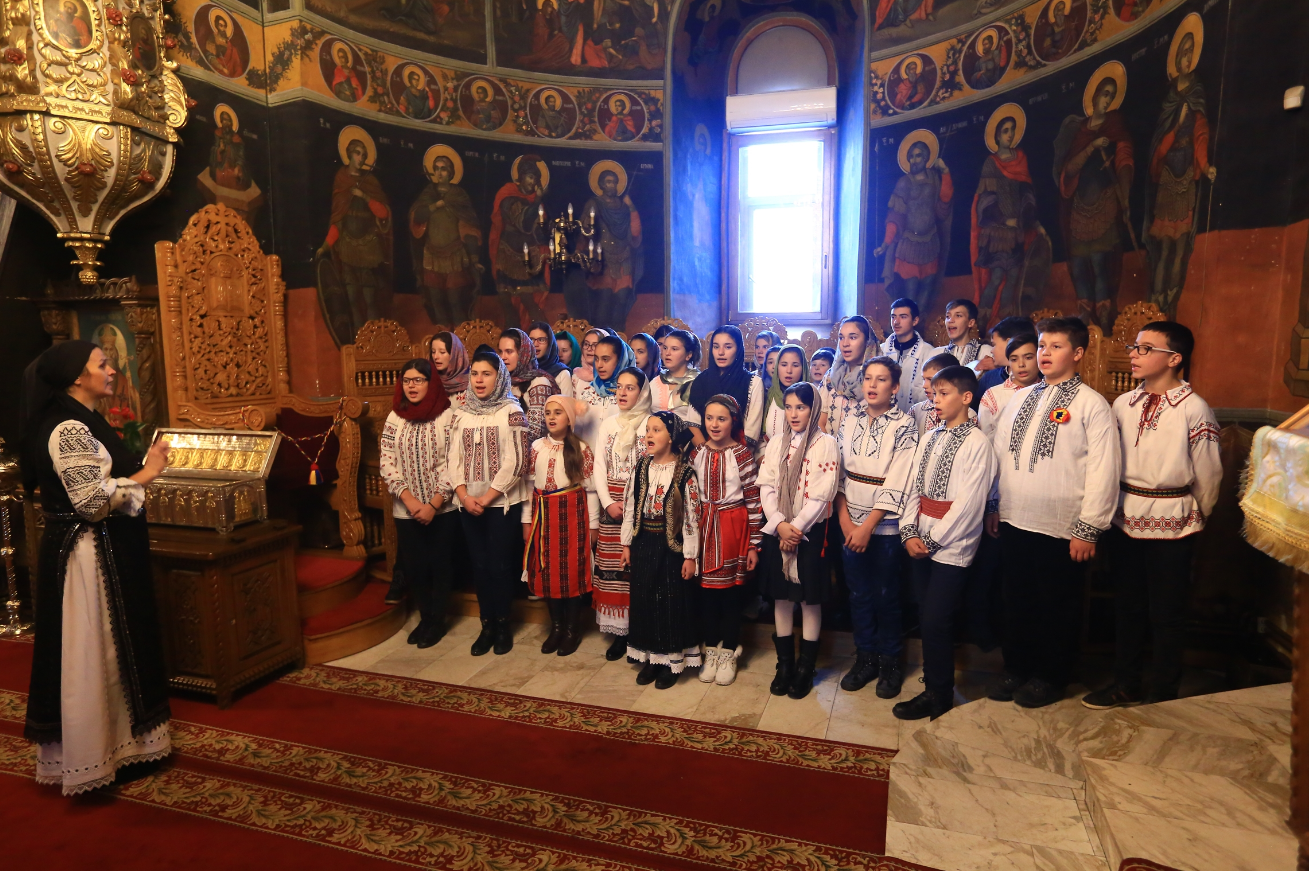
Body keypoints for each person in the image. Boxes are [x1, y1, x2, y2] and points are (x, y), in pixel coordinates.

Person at [21, 341, 172, 796]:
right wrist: (148, 472)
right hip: (86, 557)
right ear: (76, 377)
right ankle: (92, 756)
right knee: (92, 653)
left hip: (103, 550)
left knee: (111, 652)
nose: (111, 371)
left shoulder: (85, 420)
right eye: (102, 364)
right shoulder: (68, 428)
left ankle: (122, 748)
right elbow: (90, 503)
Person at [1082, 322, 1221, 708]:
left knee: (1167, 612)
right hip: (1125, 518)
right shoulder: (1123, 404)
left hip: (1173, 521)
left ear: (1174, 359)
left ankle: (1163, 692)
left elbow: (1209, 474)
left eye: (1145, 348)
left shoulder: (1194, 408)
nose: (1133, 354)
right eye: (1135, 346)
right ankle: (1125, 683)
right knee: (1127, 606)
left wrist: (1196, 516)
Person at [990, 318, 1120, 708]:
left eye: (1056, 347)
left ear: (1078, 353)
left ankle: (1050, 676)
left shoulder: (1092, 405)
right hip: (1014, 518)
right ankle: (1016, 668)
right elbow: (999, 456)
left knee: (1056, 605)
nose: (1045, 353)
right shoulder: (1020, 399)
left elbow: (1104, 469)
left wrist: (1089, 527)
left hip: (1062, 526)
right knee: (1016, 600)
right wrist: (994, 504)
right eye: (1042, 346)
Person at [895, 366, 999, 720]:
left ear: (966, 397)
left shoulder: (977, 444)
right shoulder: (930, 437)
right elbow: (914, 487)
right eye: (934, 393)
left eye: (943, 394)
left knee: (938, 619)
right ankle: (933, 687)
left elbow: (969, 505)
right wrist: (909, 531)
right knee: (926, 617)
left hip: (953, 545)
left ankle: (939, 696)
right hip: (921, 536)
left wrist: (931, 540)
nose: (935, 400)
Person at [836, 357, 919, 697]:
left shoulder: (905, 425)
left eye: (881, 379)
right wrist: (845, 521)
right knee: (858, 594)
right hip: (849, 521)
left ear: (894, 387)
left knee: (886, 595)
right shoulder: (849, 418)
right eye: (868, 378)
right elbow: (837, 471)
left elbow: (899, 479)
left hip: (883, 526)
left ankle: (890, 662)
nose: (871, 385)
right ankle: (865, 658)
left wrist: (868, 526)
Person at [759, 383, 841, 700]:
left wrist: (795, 528)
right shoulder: (777, 442)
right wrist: (780, 524)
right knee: (781, 598)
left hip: (809, 532)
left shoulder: (825, 444)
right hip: (778, 528)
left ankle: (806, 668)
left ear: (813, 409)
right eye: (789, 407)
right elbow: (767, 486)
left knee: (809, 600)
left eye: (801, 407)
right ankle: (785, 665)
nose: (794, 414)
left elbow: (822, 494)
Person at [447, 348, 531, 657]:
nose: (479, 380)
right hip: (467, 503)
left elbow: (517, 461)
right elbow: (452, 458)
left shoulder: (512, 411)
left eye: (487, 374)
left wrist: (485, 497)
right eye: (475, 374)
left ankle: (503, 625)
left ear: (500, 377)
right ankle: (487, 625)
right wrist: (464, 496)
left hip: (500, 504)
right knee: (479, 566)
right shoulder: (461, 413)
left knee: (499, 565)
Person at [621, 411, 704, 689]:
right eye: (648, 430)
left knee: (670, 602)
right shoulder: (642, 467)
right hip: (644, 541)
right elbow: (631, 505)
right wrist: (626, 544)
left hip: (671, 548)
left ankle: (671, 660)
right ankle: (651, 658)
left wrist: (690, 556)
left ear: (671, 437)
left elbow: (692, 517)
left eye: (656, 430)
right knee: (645, 599)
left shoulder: (684, 473)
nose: (649, 435)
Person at [379, 358, 457, 649]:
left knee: (440, 565)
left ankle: (437, 621)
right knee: (415, 567)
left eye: (418, 380)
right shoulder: (395, 417)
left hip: (441, 508)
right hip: (406, 509)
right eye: (406, 380)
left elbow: (453, 462)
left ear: (431, 382)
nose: (411, 386)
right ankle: (425, 618)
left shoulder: (447, 415)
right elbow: (387, 461)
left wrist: (433, 504)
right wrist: (410, 501)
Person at [693, 395, 763, 686]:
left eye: (721, 419)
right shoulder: (697, 452)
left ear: (733, 421)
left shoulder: (742, 454)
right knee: (707, 596)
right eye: (709, 418)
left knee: (730, 596)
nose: (714, 424)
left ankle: (730, 651)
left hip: (733, 528)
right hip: (704, 528)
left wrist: (754, 544)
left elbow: (754, 499)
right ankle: (711, 650)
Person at [522, 395, 599, 657]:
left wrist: (593, 525)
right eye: (548, 413)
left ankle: (571, 630)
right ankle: (556, 628)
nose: (552, 417)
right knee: (547, 571)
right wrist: (526, 521)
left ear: (569, 418)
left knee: (571, 572)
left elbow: (590, 491)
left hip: (572, 516)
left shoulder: (581, 449)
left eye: (558, 412)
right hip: (543, 515)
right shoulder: (536, 447)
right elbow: (529, 487)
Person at [592, 366, 652, 660]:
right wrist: (607, 503)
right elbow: (599, 466)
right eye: (620, 387)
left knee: (638, 568)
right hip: (612, 505)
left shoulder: (652, 423)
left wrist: (635, 506)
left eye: (631, 388)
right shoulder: (608, 424)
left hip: (642, 505)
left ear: (643, 392)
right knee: (615, 569)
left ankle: (640, 631)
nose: (623, 393)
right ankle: (620, 633)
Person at [688, 325, 764, 445]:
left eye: (728, 347)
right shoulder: (701, 380)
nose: (721, 352)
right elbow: (693, 424)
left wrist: (731, 454)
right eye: (716, 347)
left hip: (739, 451)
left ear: (738, 349)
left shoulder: (753, 382)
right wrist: (707, 453)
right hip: (702, 449)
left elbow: (751, 432)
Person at [819, 316, 877, 438]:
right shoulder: (830, 376)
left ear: (867, 341)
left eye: (853, 337)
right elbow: (820, 421)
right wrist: (830, 447)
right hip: (829, 446)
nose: (845, 344)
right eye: (841, 338)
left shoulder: (878, 378)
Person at [499, 327, 560, 443]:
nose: (503, 357)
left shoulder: (539, 382)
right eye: (500, 352)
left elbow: (536, 431)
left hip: (531, 450)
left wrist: (498, 435)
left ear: (523, 353)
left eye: (509, 351)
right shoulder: (501, 382)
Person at [575, 334, 633, 449]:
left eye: (605, 359)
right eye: (596, 359)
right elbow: (577, 434)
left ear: (620, 360)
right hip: (588, 457)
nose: (599, 365)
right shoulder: (588, 393)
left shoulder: (630, 394)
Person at [880, 299, 938, 412]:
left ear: (915, 321)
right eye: (893, 317)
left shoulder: (928, 352)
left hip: (917, 415)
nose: (896, 322)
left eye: (903, 317)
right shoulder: (881, 350)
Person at [978, 333, 1040, 437]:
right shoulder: (993, 395)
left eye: (1028, 358)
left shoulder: (1050, 392)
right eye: (1014, 359)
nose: (1021, 364)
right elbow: (985, 437)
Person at [909, 353, 974, 436]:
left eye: (930, 379)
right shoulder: (915, 410)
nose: (924, 385)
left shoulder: (968, 414)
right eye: (923, 379)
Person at [763, 344, 810, 447]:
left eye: (795, 365)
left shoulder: (812, 397)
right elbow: (762, 434)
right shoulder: (770, 394)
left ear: (803, 368)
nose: (789, 371)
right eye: (784, 365)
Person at [650, 328, 700, 422]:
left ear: (688, 355)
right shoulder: (656, 382)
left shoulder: (698, 382)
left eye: (674, 349)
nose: (667, 353)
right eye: (665, 348)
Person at [974, 316, 1032, 396]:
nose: (991, 350)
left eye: (994, 344)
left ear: (1009, 343)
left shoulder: (1040, 378)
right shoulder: (989, 378)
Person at [941, 299, 993, 368]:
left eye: (958, 315)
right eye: (948, 316)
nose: (950, 320)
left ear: (970, 323)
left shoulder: (986, 352)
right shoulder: (936, 353)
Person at [528, 321, 573, 397]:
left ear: (550, 343)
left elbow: (566, 403)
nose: (535, 344)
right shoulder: (522, 370)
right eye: (531, 339)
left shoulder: (562, 373)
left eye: (541, 340)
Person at [430, 331, 470, 408]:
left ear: (455, 354)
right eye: (433, 352)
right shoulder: (429, 380)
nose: (435, 357)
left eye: (442, 352)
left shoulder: (473, 382)